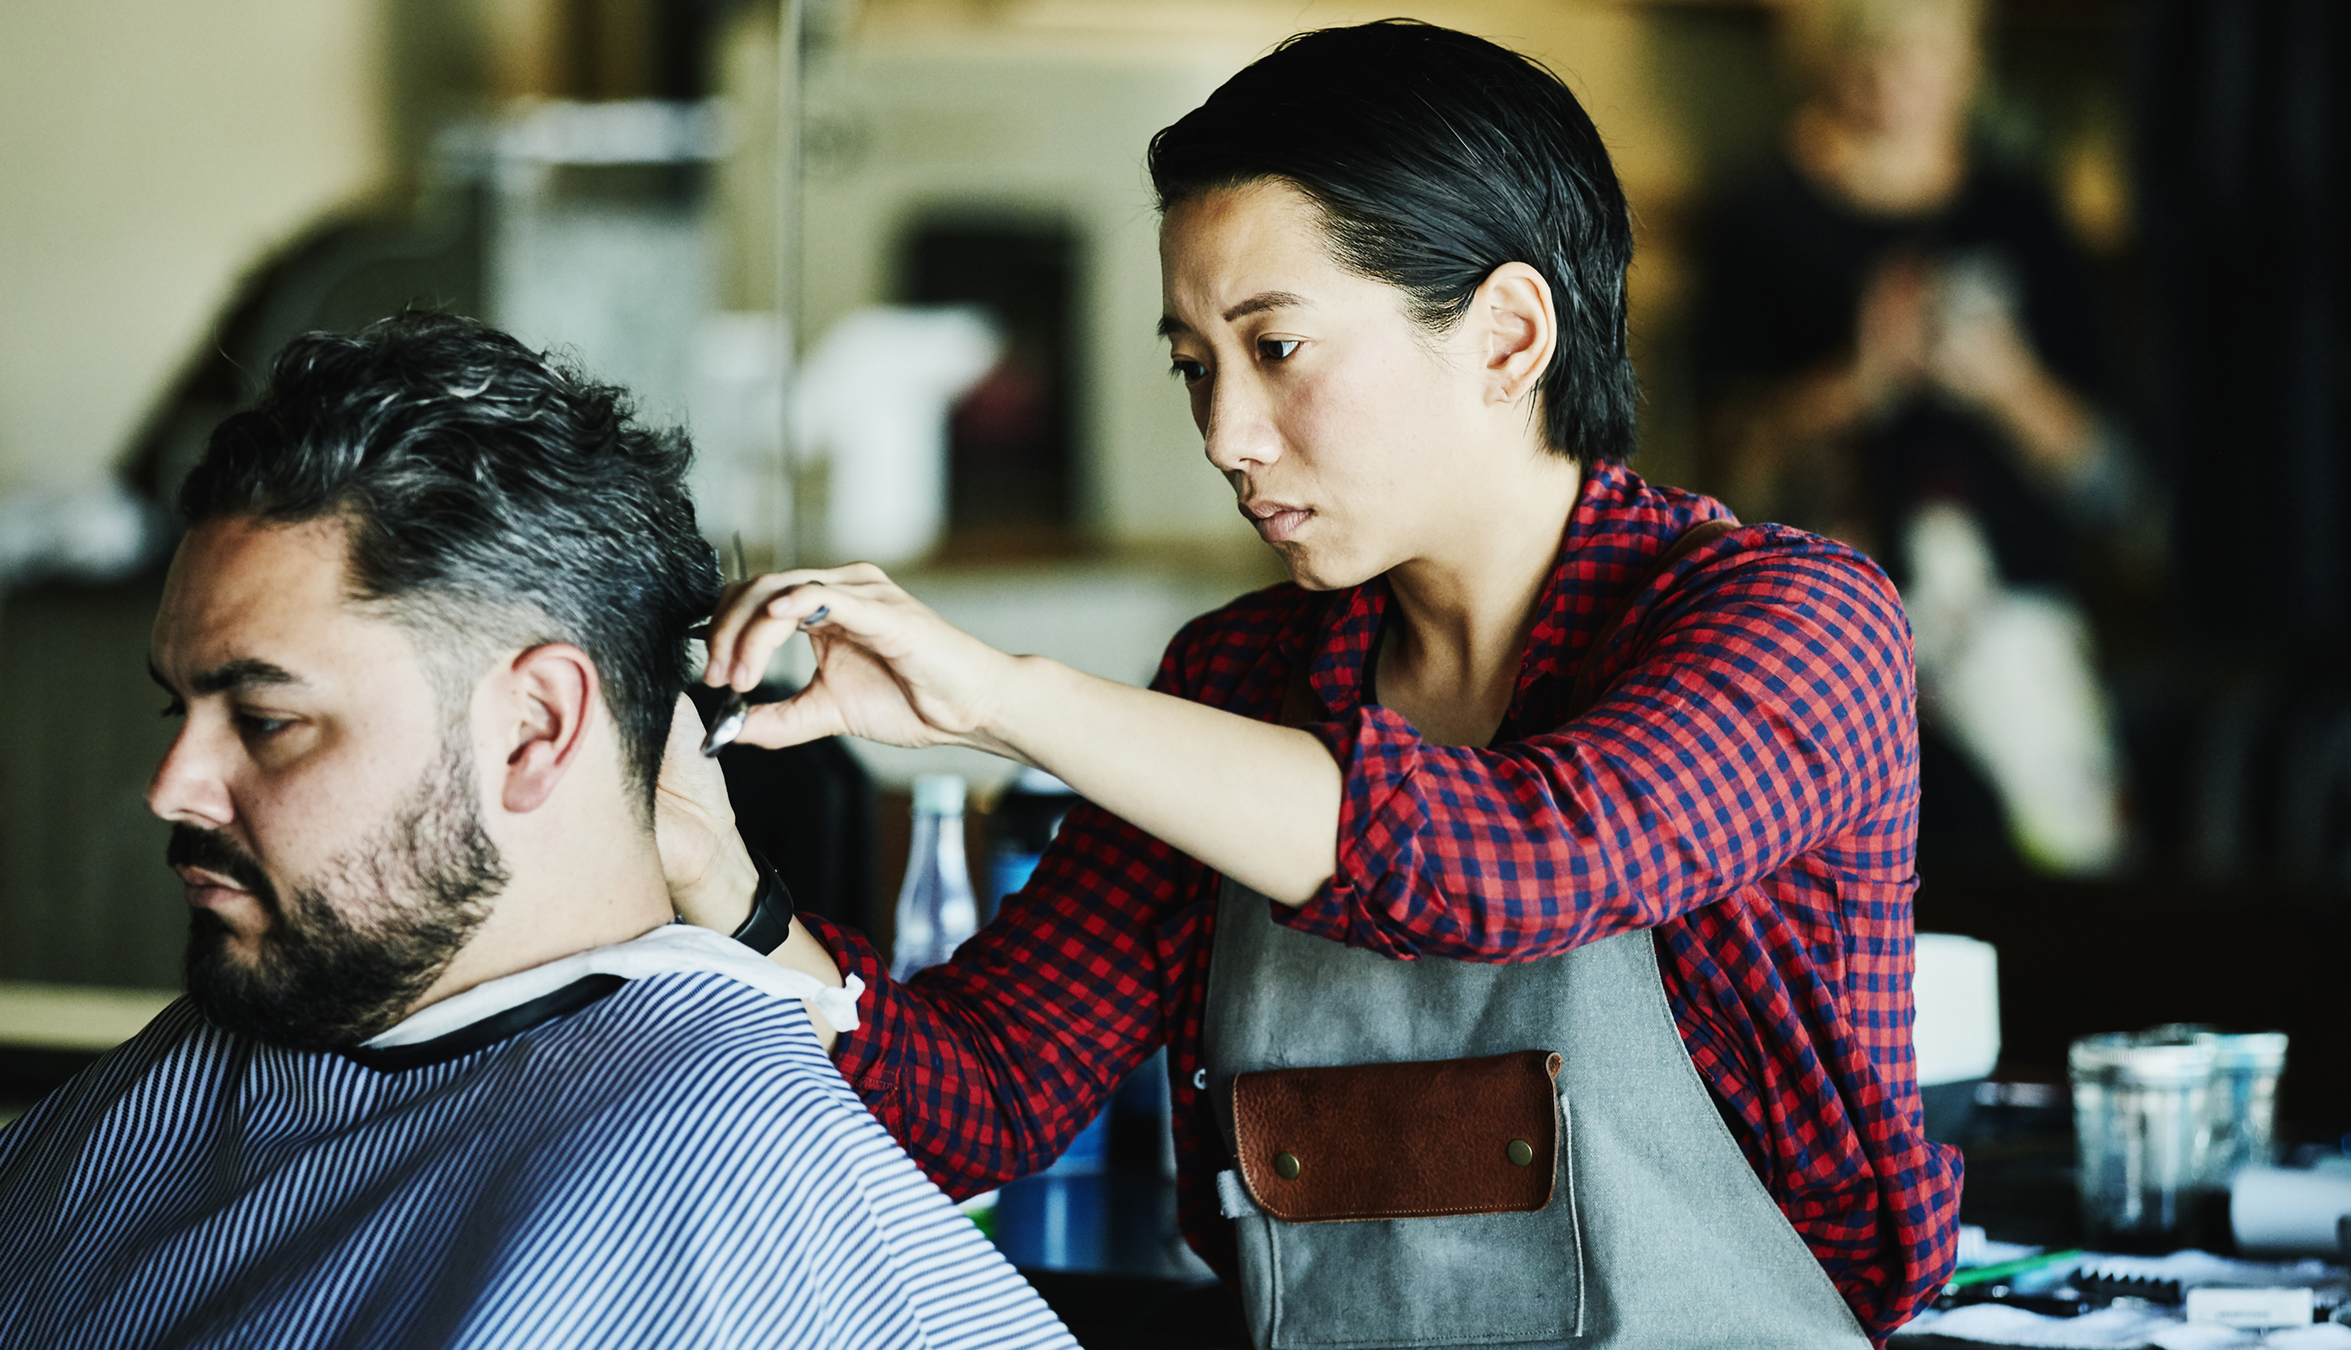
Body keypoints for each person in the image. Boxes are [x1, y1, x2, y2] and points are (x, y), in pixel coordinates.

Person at [670, 21, 1960, 1348]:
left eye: (1276, 348)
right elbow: (976, 1097)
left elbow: (1520, 863)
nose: (1226, 435)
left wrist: (1006, 696)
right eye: (1194, 367)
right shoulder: (1236, 680)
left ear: (1509, 336)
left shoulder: (1794, 622)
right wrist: (719, 879)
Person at [0, 313, 1075, 1350]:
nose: (172, 786)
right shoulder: (200, 1071)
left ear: (535, 729)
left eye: (267, 722)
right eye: (174, 710)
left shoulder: (707, 1168)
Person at [1691, 0, 2137, 872]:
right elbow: (1719, 473)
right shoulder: (1761, 221)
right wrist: (1858, 382)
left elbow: (2114, 482)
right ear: (1818, 59)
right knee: (1835, 875)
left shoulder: (2020, 215)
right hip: (1824, 616)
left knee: (2077, 872)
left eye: (1920, 54)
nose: (1892, 82)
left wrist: (2005, 380)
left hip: (2011, 617)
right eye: (1867, 55)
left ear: (1971, 60)